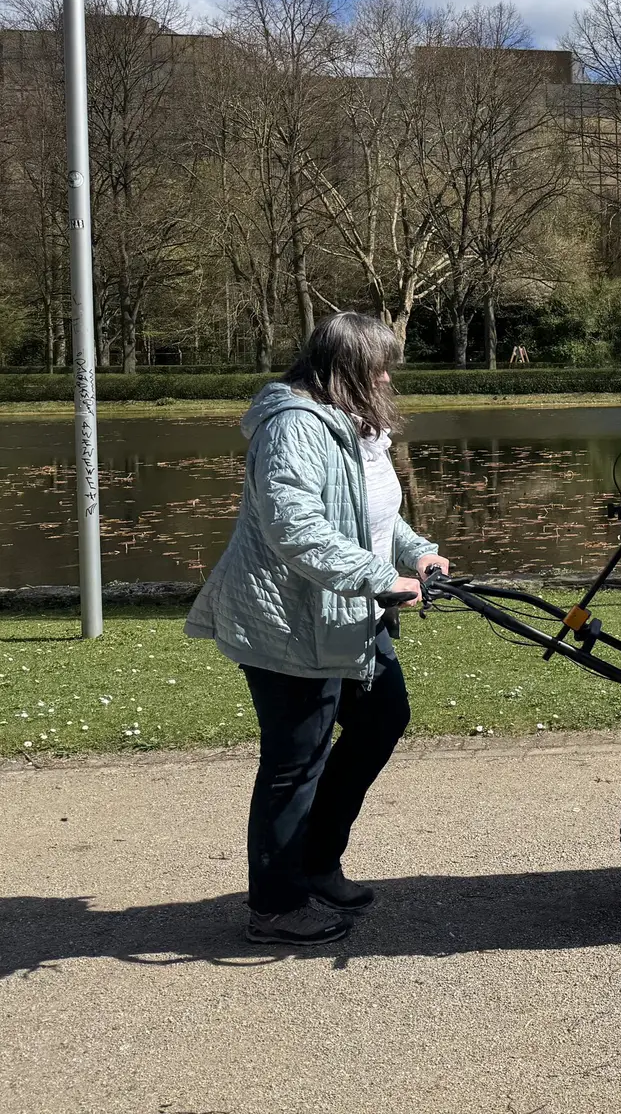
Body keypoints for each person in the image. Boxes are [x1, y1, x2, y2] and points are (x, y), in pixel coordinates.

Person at [186, 313, 448, 945]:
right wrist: (378, 578)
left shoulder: (356, 425)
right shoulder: (293, 428)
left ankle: (315, 862)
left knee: (382, 717)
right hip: (286, 620)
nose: (388, 377)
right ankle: (275, 907)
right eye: (379, 366)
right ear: (347, 369)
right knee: (294, 760)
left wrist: (416, 553)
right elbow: (295, 529)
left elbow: (375, 515)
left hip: (347, 612)